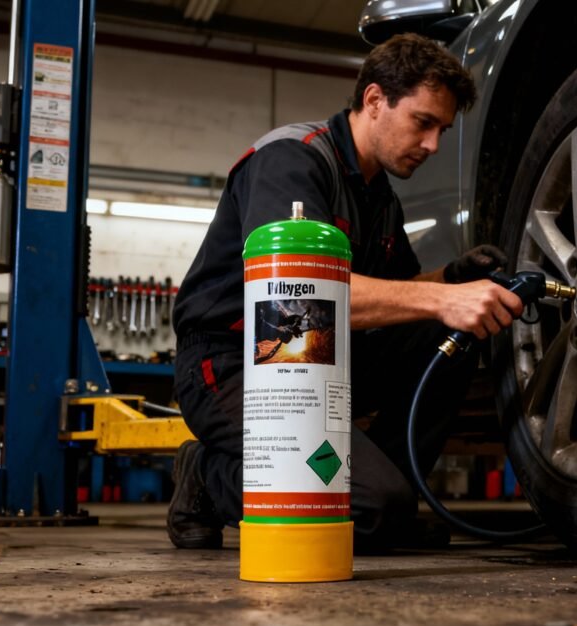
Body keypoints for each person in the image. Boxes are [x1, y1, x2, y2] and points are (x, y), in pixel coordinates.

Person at [170, 33, 524, 551]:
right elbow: (299, 300)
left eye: (443, 131)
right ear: (375, 100)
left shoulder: (380, 197)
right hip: (237, 363)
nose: (433, 146)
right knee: (368, 509)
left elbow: (395, 294)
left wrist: (451, 278)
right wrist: (445, 298)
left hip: (320, 359)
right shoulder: (292, 161)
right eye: (423, 123)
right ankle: (205, 475)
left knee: (443, 335)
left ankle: (388, 497)